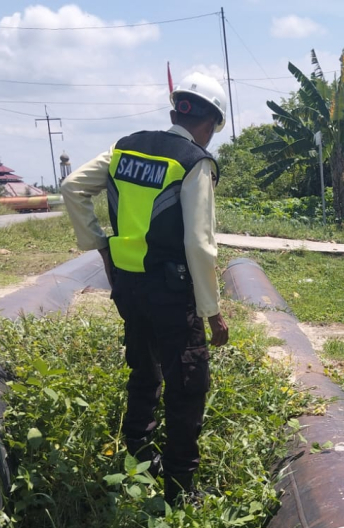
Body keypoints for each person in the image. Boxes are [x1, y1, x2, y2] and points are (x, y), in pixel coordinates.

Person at [61, 72, 230, 504]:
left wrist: (99, 246)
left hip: (129, 290)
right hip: (174, 296)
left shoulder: (123, 149)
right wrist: (212, 312)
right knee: (187, 384)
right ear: (209, 123)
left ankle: (137, 456)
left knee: (144, 371)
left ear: (177, 110)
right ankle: (178, 486)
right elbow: (200, 244)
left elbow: (72, 187)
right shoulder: (194, 162)